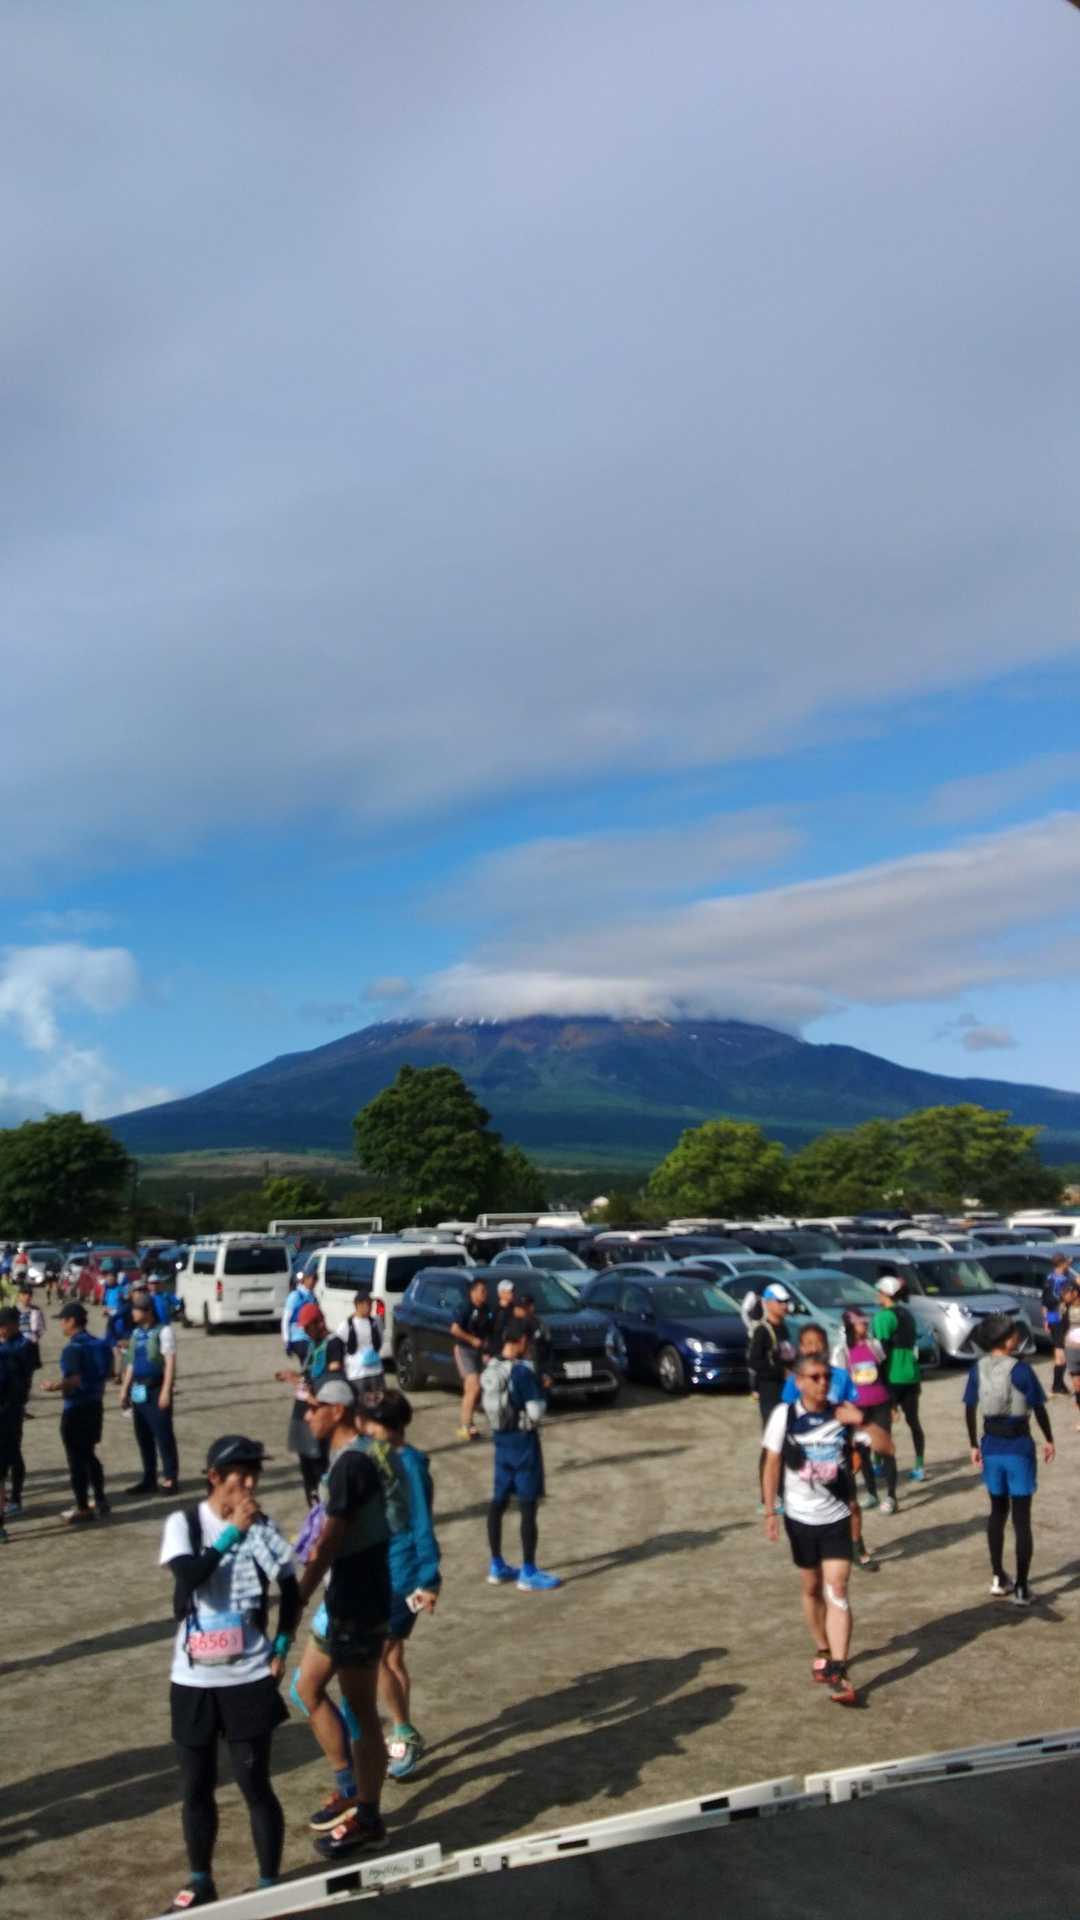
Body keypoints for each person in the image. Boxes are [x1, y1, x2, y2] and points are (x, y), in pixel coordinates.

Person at [160, 1433, 301, 1911]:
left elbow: (292, 1589)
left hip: (248, 1679)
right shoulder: (184, 1523)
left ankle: (269, 1886)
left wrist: (281, 1644)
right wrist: (230, 1534)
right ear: (214, 1477)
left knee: (255, 1784)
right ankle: (200, 1879)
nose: (250, 1484)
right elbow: (190, 1576)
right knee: (195, 1788)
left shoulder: (264, 1528)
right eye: (241, 1474)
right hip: (194, 1681)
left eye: (254, 1474)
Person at [294, 1378, 393, 1859]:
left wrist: (298, 1596)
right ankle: (350, 1786)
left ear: (336, 1410)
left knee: (362, 1713)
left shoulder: (353, 1464)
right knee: (306, 1687)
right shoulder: (345, 1459)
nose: (307, 1415)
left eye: (313, 1407)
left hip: (358, 1601)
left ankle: (369, 1818)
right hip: (342, 1600)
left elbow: (331, 1539)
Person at [762, 1349, 859, 1706]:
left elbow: (877, 1446)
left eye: (827, 1377)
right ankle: (822, 1645)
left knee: (837, 1588)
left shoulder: (842, 1414)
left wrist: (863, 1425)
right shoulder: (784, 1416)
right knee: (811, 1587)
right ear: (799, 1381)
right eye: (815, 1377)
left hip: (836, 1516)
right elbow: (772, 1464)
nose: (822, 1383)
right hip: (799, 1518)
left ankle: (839, 1668)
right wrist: (770, 1511)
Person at [361, 1390, 441, 1781]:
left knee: (380, 1657)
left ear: (389, 1426)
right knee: (391, 1657)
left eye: (372, 1423)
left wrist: (429, 1579)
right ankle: (401, 1730)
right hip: (385, 1570)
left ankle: (404, 1734)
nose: (365, 1429)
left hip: (405, 1576)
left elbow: (423, 1523)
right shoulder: (384, 1458)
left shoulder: (408, 1464)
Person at [782, 1322, 889, 1571]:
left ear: (826, 1346)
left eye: (818, 1343)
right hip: (806, 1455)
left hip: (837, 1452)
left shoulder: (840, 1376)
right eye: (808, 1344)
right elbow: (787, 1417)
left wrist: (856, 1449)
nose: (814, 1348)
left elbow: (852, 1413)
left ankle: (857, 1547)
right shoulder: (795, 1381)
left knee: (850, 1503)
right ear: (801, 1348)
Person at [964, 1315, 1054, 1606]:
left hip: (991, 1447)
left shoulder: (978, 1369)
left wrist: (973, 1444)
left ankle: (997, 1577)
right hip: (1018, 1449)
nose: (1017, 1337)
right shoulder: (1022, 1370)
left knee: (997, 1512)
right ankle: (1022, 1588)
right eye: (1014, 1333)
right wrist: (1049, 1439)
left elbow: (970, 1408)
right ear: (1007, 1339)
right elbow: (1038, 1408)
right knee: (1021, 1519)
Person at [482, 1325, 560, 1592]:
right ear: (522, 1341)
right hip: (524, 1444)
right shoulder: (522, 1373)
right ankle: (528, 1571)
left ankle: (496, 1565)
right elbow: (535, 1412)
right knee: (528, 1505)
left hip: (501, 1442)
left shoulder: (492, 1367)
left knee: (498, 1502)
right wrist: (544, 1390)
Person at [42, 1300, 112, 1523]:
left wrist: (54, 1386)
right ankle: (100, 1499)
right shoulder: (100, 1344)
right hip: (95, 1405)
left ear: (72, 1321)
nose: (61, 1324)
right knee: (90, 1455)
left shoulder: (73, 1349)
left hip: (76, 1408)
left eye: (63, 1320)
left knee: (76, 1460)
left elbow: (74, 1379)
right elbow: (109, 1373)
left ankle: (83, 1507)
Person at [275, 1300, 345, 1504]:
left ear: (319, 1322)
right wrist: (295, 1376)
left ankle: (323, 1505)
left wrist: (299, 1381)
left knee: (319, 1462)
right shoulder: (312, 1344)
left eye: (307, 1327)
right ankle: (313, 1505)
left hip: (318, 1409)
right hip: (303, 1408)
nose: (305, 1332)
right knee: (306, 1464)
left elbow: (331, 1378)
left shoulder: (334, 1343)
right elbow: (309, 1375)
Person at [833, 1307, 901, 1515]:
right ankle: (872, 1493)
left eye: (865, 1321)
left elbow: (885, 1376)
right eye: (860, 1322)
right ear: (850, 1325)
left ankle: (891, 1496)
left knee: (885, 1449)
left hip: (880, 1403)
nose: (865, 1324)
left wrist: (893, 1404)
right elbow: (840, 1383)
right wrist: (844, 1408)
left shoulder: (874, 1345)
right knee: (863, 1451)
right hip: (858, 1408)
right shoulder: (842, 1351)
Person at [120, 1288, 180, 1495]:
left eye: (136, 1309)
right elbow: (131, 1363)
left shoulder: (163, 1332)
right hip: (138, 1388)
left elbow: (170, 1363)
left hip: (156, 1387)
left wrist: (166, 1391)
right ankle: (149, 1477)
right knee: (143, 1435)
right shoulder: (136, 1334)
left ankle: (170, 1477)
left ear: (147, 1311)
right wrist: (124, 1389)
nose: (133, 1313)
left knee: (163, 1434)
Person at [872, 1276, 926, 1480]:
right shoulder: (908, 1314)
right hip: (911, 1374)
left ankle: (878, 1464)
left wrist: (877, 1378)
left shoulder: (883, 1317)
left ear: (886, 1294)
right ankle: (919, 1466)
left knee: (881, 1423)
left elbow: (881, 1352)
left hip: (891, 1376)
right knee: (914, 1422)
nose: (876, 1294)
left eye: (879, 1291)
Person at [747, 1284, 795, 1507]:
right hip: (770, 1395)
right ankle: (767, 1498)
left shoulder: (784, 1328)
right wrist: (780, 1372)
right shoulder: (762, 1331)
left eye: (786, 1302)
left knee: (786, 1443)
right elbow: (754, 1362)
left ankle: (783, 1492)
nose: (784, 1306)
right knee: (772, 1444)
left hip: (787, 1393)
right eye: (780, 1302)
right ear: (767, 1303)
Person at [0, 1307, 34, 1538]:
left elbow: (22, 1378)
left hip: (10, 1410)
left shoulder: (22, 1346)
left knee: (13, 1456)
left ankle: (16, 1498)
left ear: (13, 1324)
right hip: (11, 1408)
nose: (1, 1330)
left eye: (3, 1325)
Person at [449, 1275, 494, 1442]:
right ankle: (464, 1427)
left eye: (486, 1291)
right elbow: (454, 1329)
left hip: (480, 1352)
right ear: (473, 1292)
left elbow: (489, 1330)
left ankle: (470, 1424)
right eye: (482, 1291)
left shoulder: (486, 1309)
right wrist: (472, 1339)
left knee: (475, 1390)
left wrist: (487, 1347)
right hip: (464, 1350)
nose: (485, 1294)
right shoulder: (465, 1308)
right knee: (473, 1387)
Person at [1042, 1256, 1076, 1395]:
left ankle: (1059, 1384)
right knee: (1061, 1352)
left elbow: (1044, 1301)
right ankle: (1057, 1385)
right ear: (1062, 1264)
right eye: (1066, 1263)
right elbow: (1068, 1299)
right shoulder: (1065, 1281)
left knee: (1059, 1350)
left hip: (1052, 1317)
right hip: (1061, 1317)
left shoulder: (1049, 1278)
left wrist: (1045, 1319)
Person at [336, 1290, 383, 1385]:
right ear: (358, 1305)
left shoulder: (376, 1322)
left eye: (370, 1304)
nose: (370, 1308)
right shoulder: (346, 1325)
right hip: (356, 1374)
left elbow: (380, 1341)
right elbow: (337, 1347)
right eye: (367, 1304)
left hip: (376, 1371)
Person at [15, 1281, 44, 1407]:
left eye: (29, 1294)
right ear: (19, 1295)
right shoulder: (12, 1311)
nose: (27, 1297)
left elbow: (41, 1328)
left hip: (31, 1349)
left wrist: (33, 1337)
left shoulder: (36, 1311)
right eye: (24, 1294)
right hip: (15, 1350)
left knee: (28, 1379)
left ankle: (23, 1406)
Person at [281, 1267, 319, 1364]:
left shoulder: (313, 1297)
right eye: (309, 1278)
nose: (312, 1281)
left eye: (315, 1279)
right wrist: (287, 1341)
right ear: (304, 1279)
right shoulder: (295, 1296)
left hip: (310, 1338)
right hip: (298, 1338)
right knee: (308, 1362)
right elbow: (286, 1320)